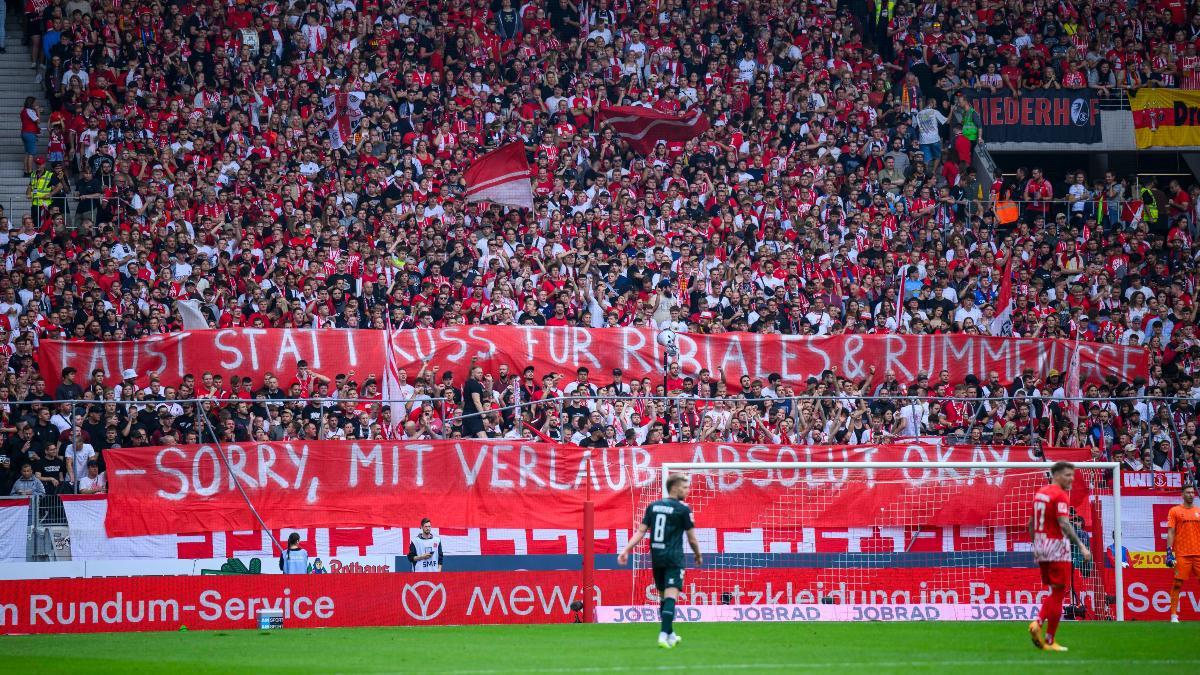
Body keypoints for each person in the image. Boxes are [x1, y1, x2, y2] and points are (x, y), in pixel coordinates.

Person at [618, 473, 702, 649]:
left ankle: (670, 634)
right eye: (685, 487)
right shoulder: (683, 509)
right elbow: (692, 538)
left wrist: (626, 550)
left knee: (663, 598)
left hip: (656, 557)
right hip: (674, 558)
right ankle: (663, 635)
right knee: (671, 597)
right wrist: (698, 555)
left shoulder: (654, 506)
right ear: (675, 487)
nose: (687, 491)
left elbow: (640, 532)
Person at [1027, 461, 1091, 651]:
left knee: (1054, 591)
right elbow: (1063, 523)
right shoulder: (1060, 495)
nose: (1071, 479)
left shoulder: (1040, 493)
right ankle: (1048, 637)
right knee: (1059, 592)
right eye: (1067, 475)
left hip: (1041, 545)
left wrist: (1036, 543)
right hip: (1056, 546)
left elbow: (1030, 523)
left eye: (1073, 475)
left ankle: (1039, 623)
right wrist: (1081, 546)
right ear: (1056, 475)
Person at [1166, 484, 1200, 623]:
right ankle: (1173, 615)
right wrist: (1169, 552)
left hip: (1198, 553)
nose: (1191, 494)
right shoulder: (1175, 511)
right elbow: (1171, 532)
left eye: (1192, 492)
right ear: (1182, 494)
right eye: (1188, 492)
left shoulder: (1199, 511)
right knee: (1178, 584)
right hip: (1182, 553)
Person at [19, 97, 38, 176]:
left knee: (27, 153)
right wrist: (37, 111)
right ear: (32, 103)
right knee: (31, 153)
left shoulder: (23, 111)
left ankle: (25, 171)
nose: (36, 104)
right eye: (35, 102)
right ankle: (30, 172)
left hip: (24, 132)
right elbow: (38, 121)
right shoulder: (30, 111)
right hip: (30, 133)